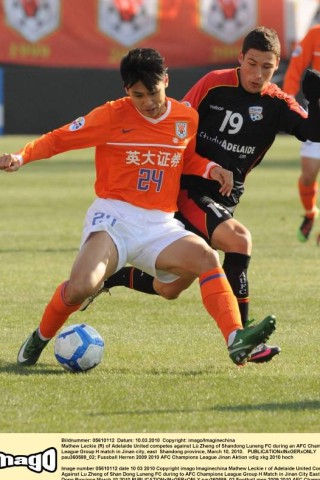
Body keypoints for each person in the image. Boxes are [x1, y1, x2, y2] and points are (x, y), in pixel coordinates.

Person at [0, 47, 277, 368]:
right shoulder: (110, 116)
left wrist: (209, 169)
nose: (147, 102)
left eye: (153, 93)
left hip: (160, 224)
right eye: (138, 95)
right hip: (114, 217)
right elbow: (58, 139)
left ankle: (235, 339)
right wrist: (20, 156)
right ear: (126, 91)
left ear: (167, 81)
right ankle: (40, 337)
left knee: (205, 258)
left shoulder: (185, 118)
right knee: (80, 288)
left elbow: (185, 159)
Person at [81, 27, 320, 363]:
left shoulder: (277, 103)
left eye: (266, 67)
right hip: (187, 190)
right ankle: (244, 336)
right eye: (251, 64)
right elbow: (178, 121)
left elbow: (313, 130)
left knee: (171, 288)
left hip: (223, 199)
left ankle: (115, 276)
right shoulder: (214, 83)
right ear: (240, 58)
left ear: (276, 64)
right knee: (239, 240)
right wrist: (198, 166)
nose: (257, 74)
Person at [283, 24, 320, 242]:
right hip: (316, 116)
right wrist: (286, 101)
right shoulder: (315, 34)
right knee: (308, 175)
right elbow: (296, 67)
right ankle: (310, 213)